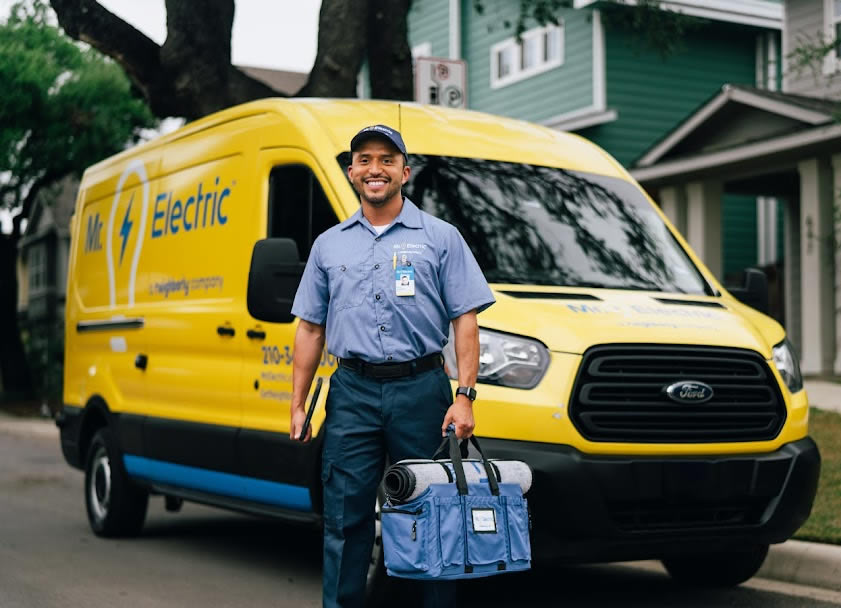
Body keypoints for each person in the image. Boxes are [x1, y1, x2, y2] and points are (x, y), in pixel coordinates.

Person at [289, 124, 495, 608]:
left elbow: (465, 320)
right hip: (352, 393)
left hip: (421, 389)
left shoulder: (441, 238)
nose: (374, 169)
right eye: (364, 159)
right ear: (351, 173)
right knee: (344, 516)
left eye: (386, 159)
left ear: (405, 171)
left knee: (434, 511)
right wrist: (297, 405)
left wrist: (465, 395)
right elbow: (310, 330)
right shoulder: (329, 245)